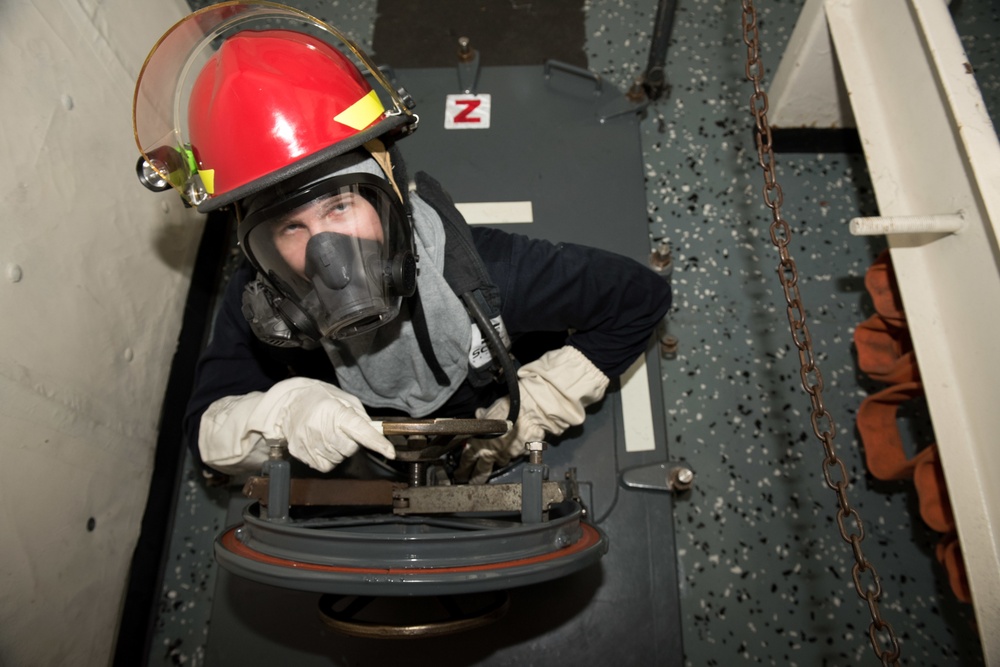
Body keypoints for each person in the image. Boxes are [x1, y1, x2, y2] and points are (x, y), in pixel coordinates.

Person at [133, 2, 671, 485]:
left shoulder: (490, 273)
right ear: (256, 249)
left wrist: (523, 413)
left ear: (391, 194)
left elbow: (640, 298)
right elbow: (205, 429)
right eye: (289, 229)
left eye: (340, 205)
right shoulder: (260, 302)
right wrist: (282, 412)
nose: (330, 261)